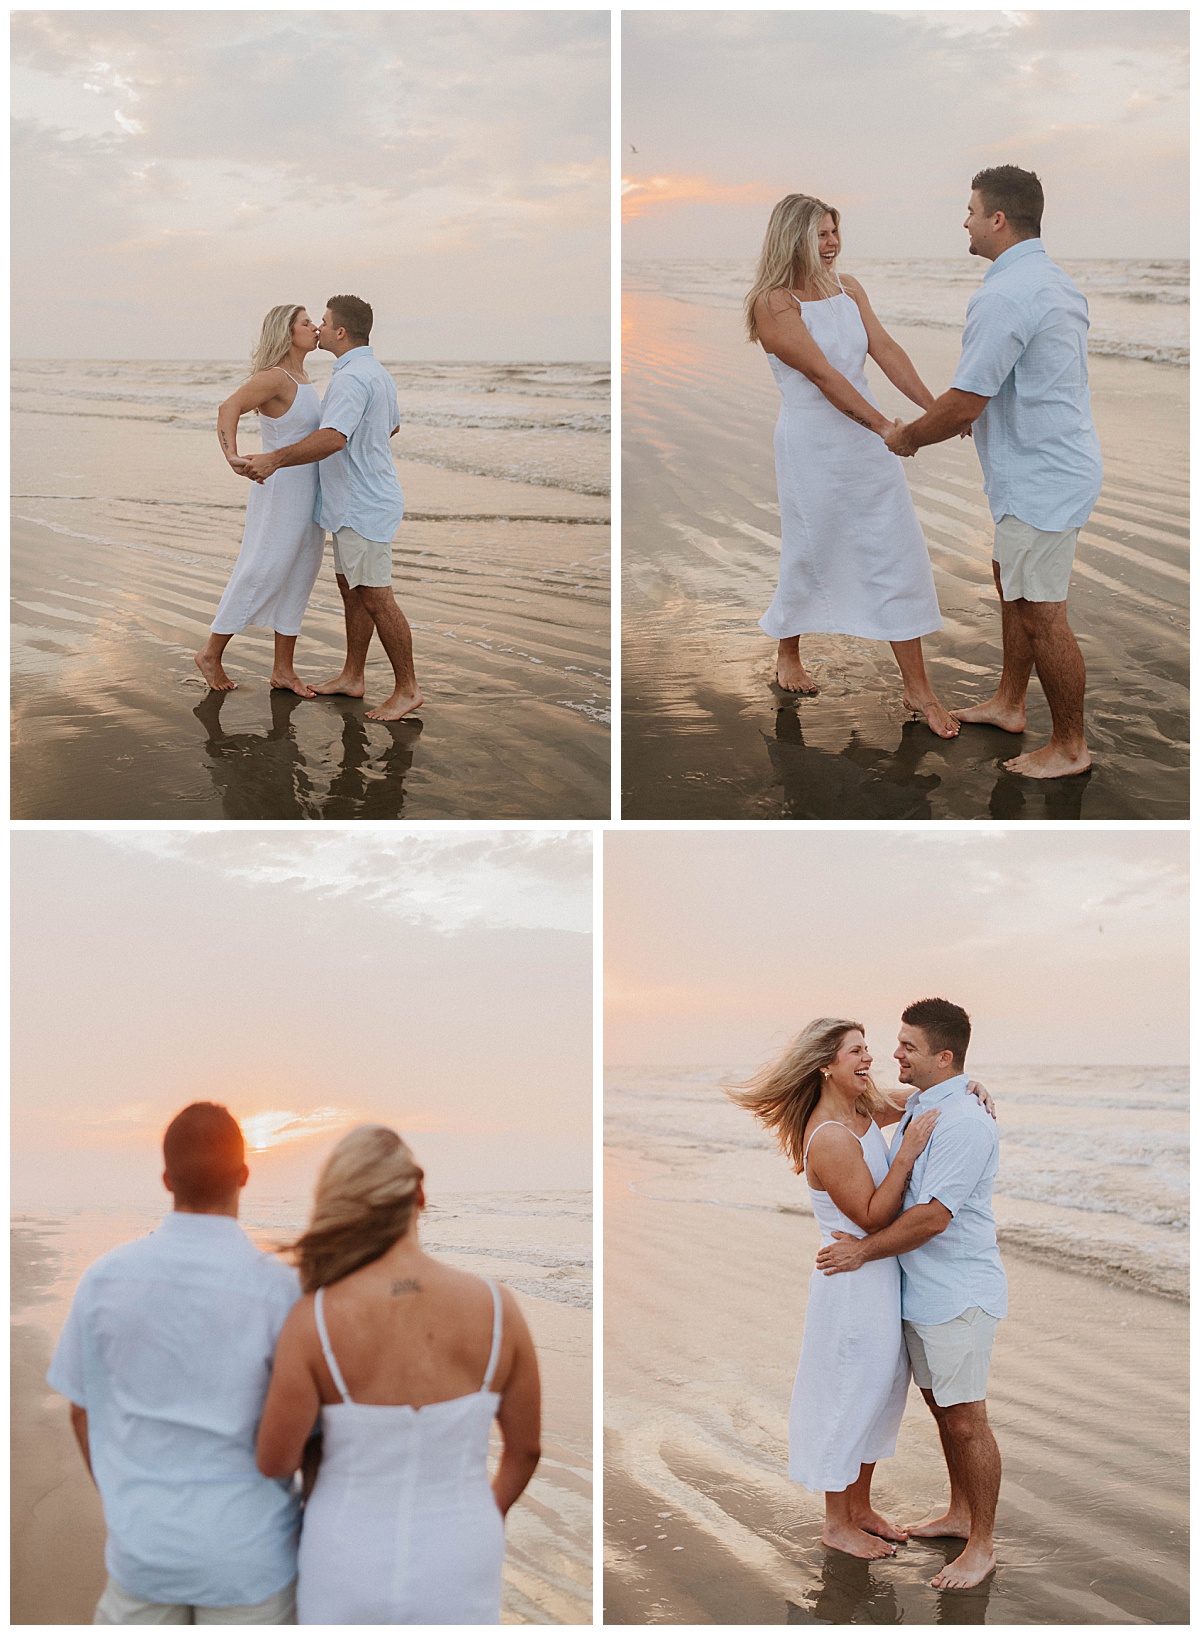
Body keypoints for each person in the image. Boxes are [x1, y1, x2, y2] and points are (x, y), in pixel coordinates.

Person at [728, 1021, 994, 1562]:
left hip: (880, 1279)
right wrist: (907, 1153)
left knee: (877, 1393)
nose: (870, 1058)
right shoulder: (828, 1135)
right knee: (847, 1395)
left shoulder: (865, 1104)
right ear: (827, 1063)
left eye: (870, 1048)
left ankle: (862, 1508)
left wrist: (973, 1085)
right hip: (850, 1283)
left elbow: (928, 1091)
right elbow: (873, 1217)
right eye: (857, 1051)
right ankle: (836, 1523)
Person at [256, 1126, 542, 1625]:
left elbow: (276, 1460)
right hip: (462, 1556)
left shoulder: (315, 1318)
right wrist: (480, 1517)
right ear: (420, 1192)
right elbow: (526, 1450)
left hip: (343, 1557)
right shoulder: (498, 1310)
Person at [884, 168, 1103, 779]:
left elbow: (965, 401)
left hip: (1042, 477)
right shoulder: (1052, 281)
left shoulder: (1006, 293)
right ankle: (1009, 704)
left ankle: (1069, 747)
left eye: (972, 210)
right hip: (1047, 464)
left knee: (1040, 610)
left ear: (998, 219)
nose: (966, 220)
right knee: (1013, 579)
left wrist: (908, 437)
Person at [46, 1104, 301, 1624]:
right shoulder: (280, 1289)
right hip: (249, 1558)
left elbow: (80, 1409)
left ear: (166, 1179)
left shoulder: (103, 1280)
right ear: (245, 1175)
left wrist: (125, 1504)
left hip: (146, 1552)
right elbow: (304, 1432)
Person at [746, 194, 960, 737]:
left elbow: (884, 349)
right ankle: (788, 652)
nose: (832, 243)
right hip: (814, 444)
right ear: (791, 238)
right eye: (819, 234)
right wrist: (886, 427)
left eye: (835, 231)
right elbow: (823, 376)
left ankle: (918, 688)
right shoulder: (772, 303)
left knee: (895, 549)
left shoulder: (850, 288)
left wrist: (935, 410)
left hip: (867, 444)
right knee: (813, 547)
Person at [817, 999, 1006, 1591]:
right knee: (944, 1414)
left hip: (957, 1293)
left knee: (968, 1420)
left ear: (942, 1056)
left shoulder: (964, 1122)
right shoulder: (926, 1101)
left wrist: (861, 1252)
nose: (892, 1054)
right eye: (893, 1043)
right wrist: (968, 1081)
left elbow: (931, 1218)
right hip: (919, 1291)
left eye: (908, 1047)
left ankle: (982, 1544)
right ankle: (957, 1513)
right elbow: (877, 1108)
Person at [241, 296, 423, 723]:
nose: (318, 328)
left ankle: (408, 690)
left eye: (323, 322)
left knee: (377, 597)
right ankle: (352, 676)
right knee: (353, 591)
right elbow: (390, 425)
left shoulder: (352, 379)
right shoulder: (372, 372)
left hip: (363, 505)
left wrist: (275, 458)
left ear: (341, 332)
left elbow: (334, 438)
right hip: (353, 502)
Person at [196, 305, 326, 697]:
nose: (316, 327)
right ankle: (210, 653)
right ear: (286, 333)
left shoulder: (304, 378)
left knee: (299, 573)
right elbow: (228, 407)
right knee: (263, 569)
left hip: (310, 493)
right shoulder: (275, 378)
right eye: (306, 323)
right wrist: (231, 456)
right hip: (280, 492)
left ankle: (283, 670)